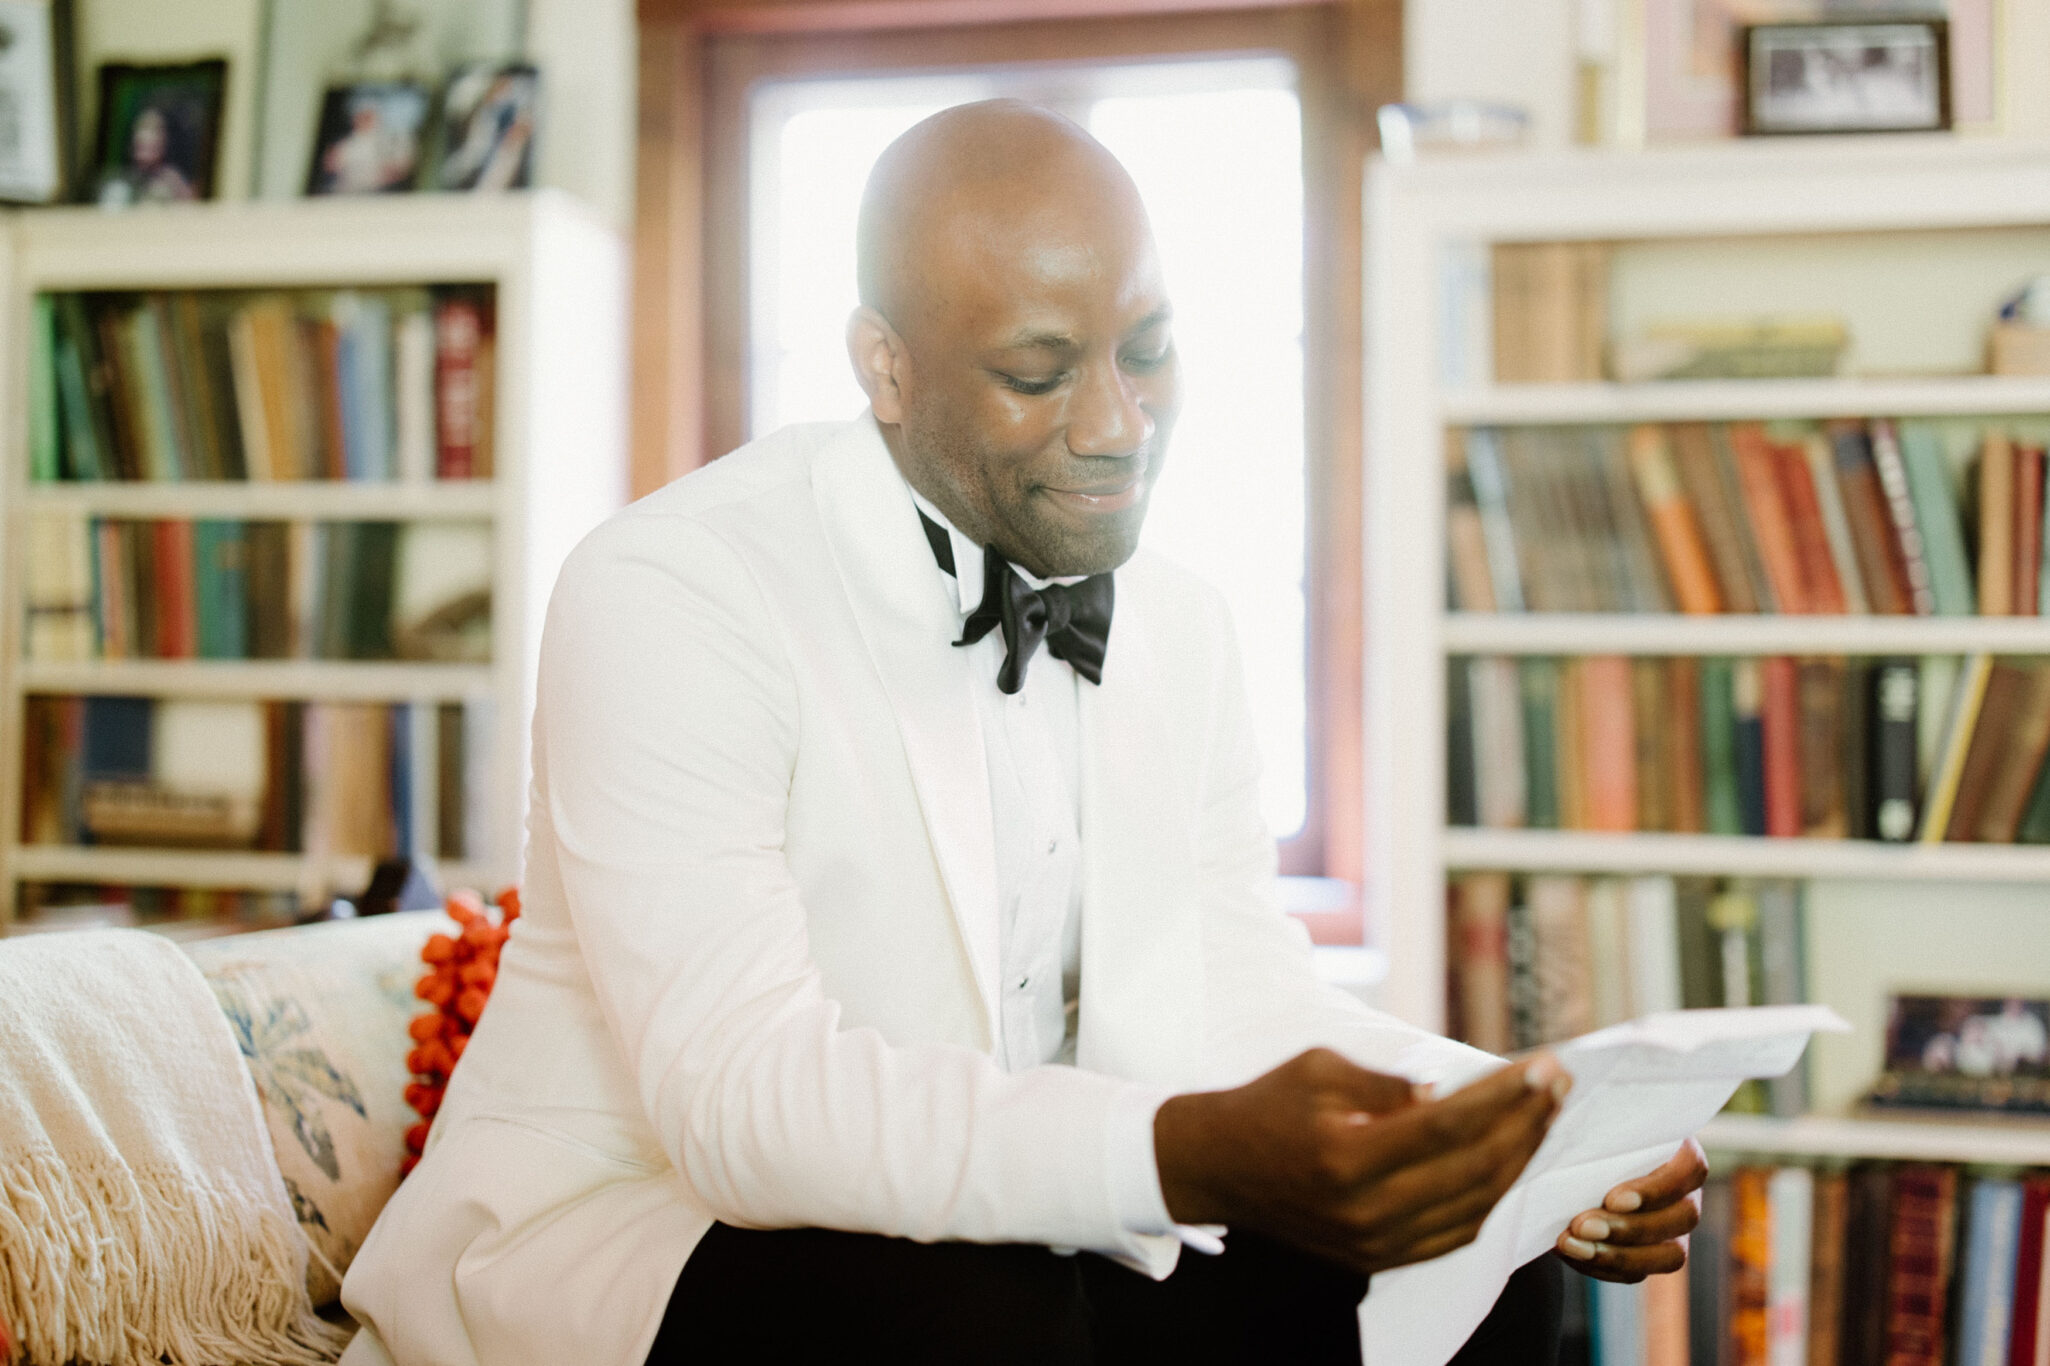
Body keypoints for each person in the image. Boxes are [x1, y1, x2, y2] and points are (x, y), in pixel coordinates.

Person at [338, 101, 1704, 1366]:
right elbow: (743, 1107)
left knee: (1481, 1273)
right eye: (1035, 371)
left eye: (1149, 348)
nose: (1118, 423)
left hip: (1006, 1204)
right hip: (627, 1228)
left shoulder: (1182, 620)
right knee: (996, 1327)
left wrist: (1520, 1127)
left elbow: (1233, 980)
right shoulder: (671, 589)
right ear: (883, 365)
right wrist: (1180, 1153)